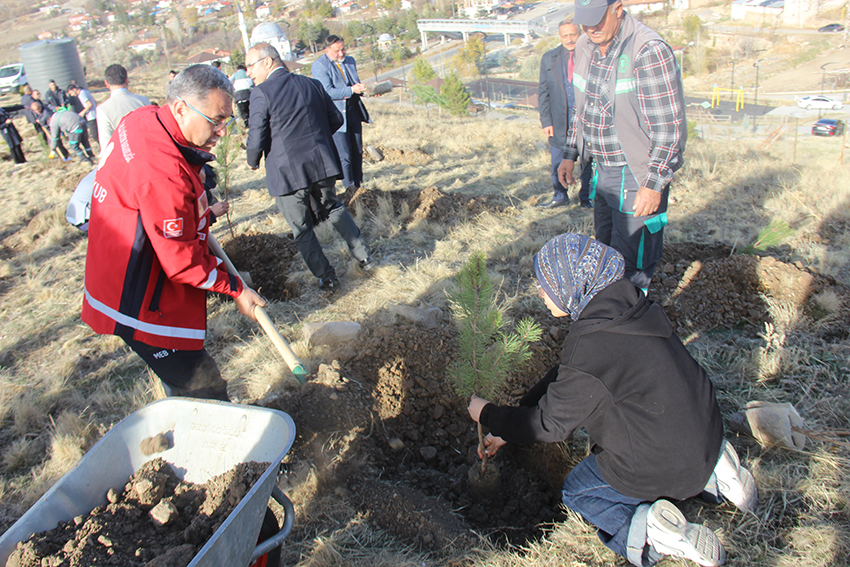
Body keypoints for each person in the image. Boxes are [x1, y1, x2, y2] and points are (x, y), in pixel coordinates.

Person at [468, 233, 758, 567]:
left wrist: (487, 413)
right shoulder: (627, 305)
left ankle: (655, 532)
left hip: (668, 461)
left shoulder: (591, 344)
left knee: (578, 491)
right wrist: (509, 425)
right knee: (667, 443)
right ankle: (719, 472)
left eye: (545, 283)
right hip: (706, 431)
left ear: (571, 284)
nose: (539, 292)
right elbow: (568, 375)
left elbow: (550, 425)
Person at [81, 64, 266, 401]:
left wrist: (200, 216)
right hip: (137, 295)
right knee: (202, 385)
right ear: (181, 108)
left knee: (187, 386)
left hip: (116, 263)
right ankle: (217, 446)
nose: (222, 131)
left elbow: (153, 211)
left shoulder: (142, 120)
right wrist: (237, 290)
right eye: (215, 120)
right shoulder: (163, 173)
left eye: (227, 120)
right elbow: (181, 262)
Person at [558, 0, 686, 293]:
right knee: (605, 253)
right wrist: (570, 154)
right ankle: (608, 320)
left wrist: (653, 184)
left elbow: (669, 129)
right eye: (585, 21)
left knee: (631, 263)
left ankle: (630, 327)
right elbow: (582, 109)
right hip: (601, 170)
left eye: (598, 19)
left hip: (635, 172)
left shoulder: (648, 51)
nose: (591, 28)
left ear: (617, 7)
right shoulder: (585, 45)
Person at [246, 42, 372, 292]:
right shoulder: (311, 84)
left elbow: (256, 134)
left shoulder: (262, 93)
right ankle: (363, 256)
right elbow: (335, 118)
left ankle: (327, 276)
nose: (248, 72)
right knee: (334, 207)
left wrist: (253, 160)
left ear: (268, 62)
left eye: (250, 66)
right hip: (321, 164)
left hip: (287, 174)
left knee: (301, 228)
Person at [538, 20, 593, 209]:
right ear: (559, 36)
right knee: (557, 162)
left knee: (589, 161)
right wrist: (546, 121)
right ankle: (560, 196)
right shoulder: (549, 58)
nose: (569, 39)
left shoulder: (591, 54)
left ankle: (587, 197)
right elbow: (543, 92)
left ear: (580, 33)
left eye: (573, 35)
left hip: (587, 120)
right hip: (559, 122)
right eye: (565, 36)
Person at [312, 35, 370, 192]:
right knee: (344, 155)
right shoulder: (319, 66)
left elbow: (355, 84)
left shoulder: (350, 61)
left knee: (357, 151)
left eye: (343, 48)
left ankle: (358, 187)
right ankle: (349, 189)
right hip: (337, 116)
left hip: (354, 111)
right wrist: (352, 90)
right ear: (327, 50)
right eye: (337, 50)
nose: (341, 53)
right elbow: (327, 92)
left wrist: (367, 90)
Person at [97, 64, 152, 145]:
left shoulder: (103, 110)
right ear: (126, 80)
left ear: (106, 83)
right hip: (147, 149)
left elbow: (106, 144)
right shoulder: (144, 100)